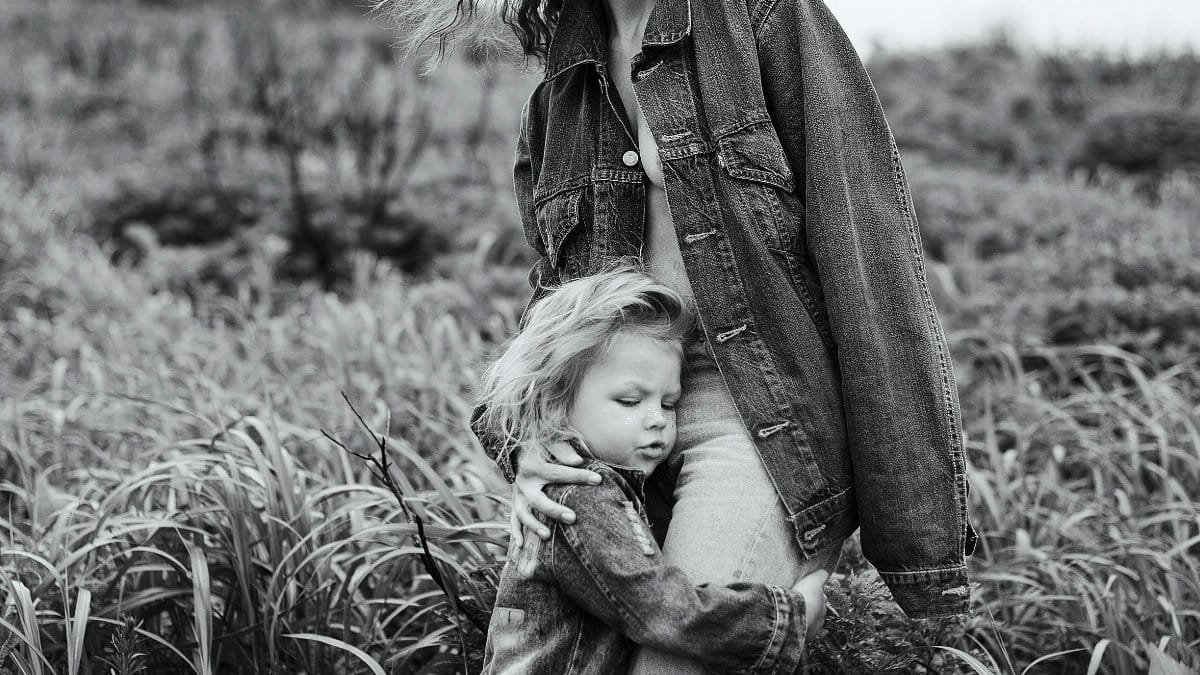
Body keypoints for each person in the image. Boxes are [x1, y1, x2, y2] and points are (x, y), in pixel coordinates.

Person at [396, 0, 980, 669]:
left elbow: (869, 259)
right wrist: (527, 438)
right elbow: (555, 306)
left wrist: (921, 554)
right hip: (613, 414)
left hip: (759, 412)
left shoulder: (765, 18)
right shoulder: (558, 93)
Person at [473, 267, 831, 673]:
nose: (657, 419)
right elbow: (659, 610)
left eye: (668, 403)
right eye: (630, 401)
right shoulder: (584, 495)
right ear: (555, 402)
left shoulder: (593, 487)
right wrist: (788, 620)